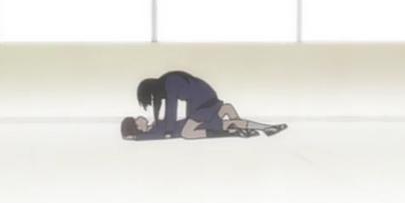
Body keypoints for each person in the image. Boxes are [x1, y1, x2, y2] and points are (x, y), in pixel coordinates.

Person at [122, 71, 286, 140]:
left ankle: (235, 131)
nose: (139, 117)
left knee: (187, 133)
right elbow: (167, 111)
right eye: (136, 121)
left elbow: (171, 109)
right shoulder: (167, 81)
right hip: (205, 97)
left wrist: (169, 131)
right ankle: (265, 128)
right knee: (225, 113)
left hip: (200, 102)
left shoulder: (169, 83)